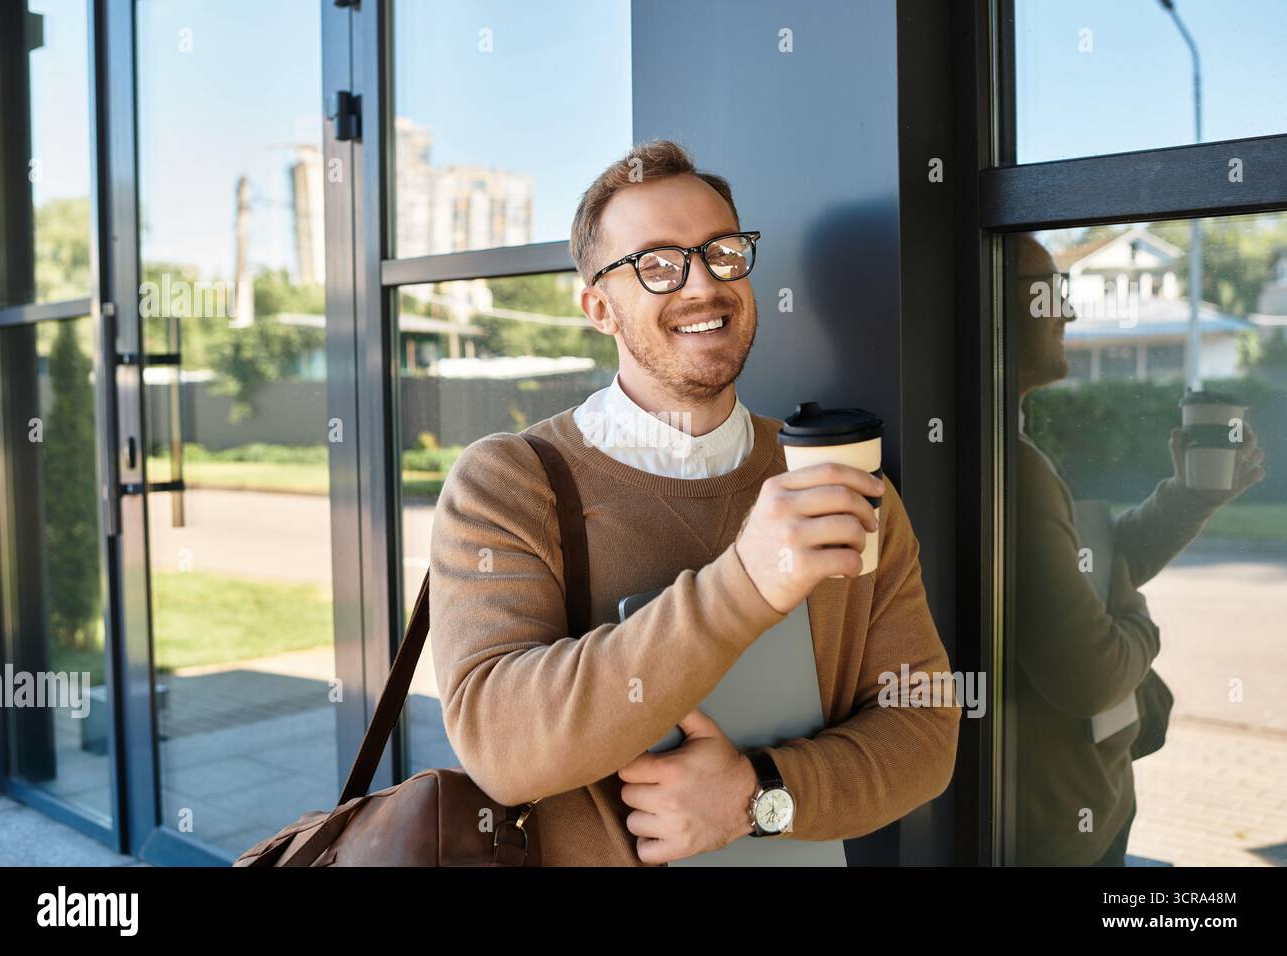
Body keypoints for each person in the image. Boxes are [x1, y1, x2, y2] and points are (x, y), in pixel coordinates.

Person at [427, 139, 960, 866]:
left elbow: (922, 731)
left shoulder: (836, 475)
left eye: (722, 252)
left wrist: (757, 795)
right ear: (600, 308)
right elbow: (503, 746)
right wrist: (745, 584)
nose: (702, 284)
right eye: (656, 263)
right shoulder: (508, 483)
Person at [1013, 235, 1267, 865]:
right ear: (986, 302)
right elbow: (1091, 674)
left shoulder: (1007, 444)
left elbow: (1091, 566)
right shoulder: (1010, 468)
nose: (1066, 313)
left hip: (1073, 817)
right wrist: (1137, 622)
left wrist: (1190, 497)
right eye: (1048, 292)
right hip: (1059, 837)